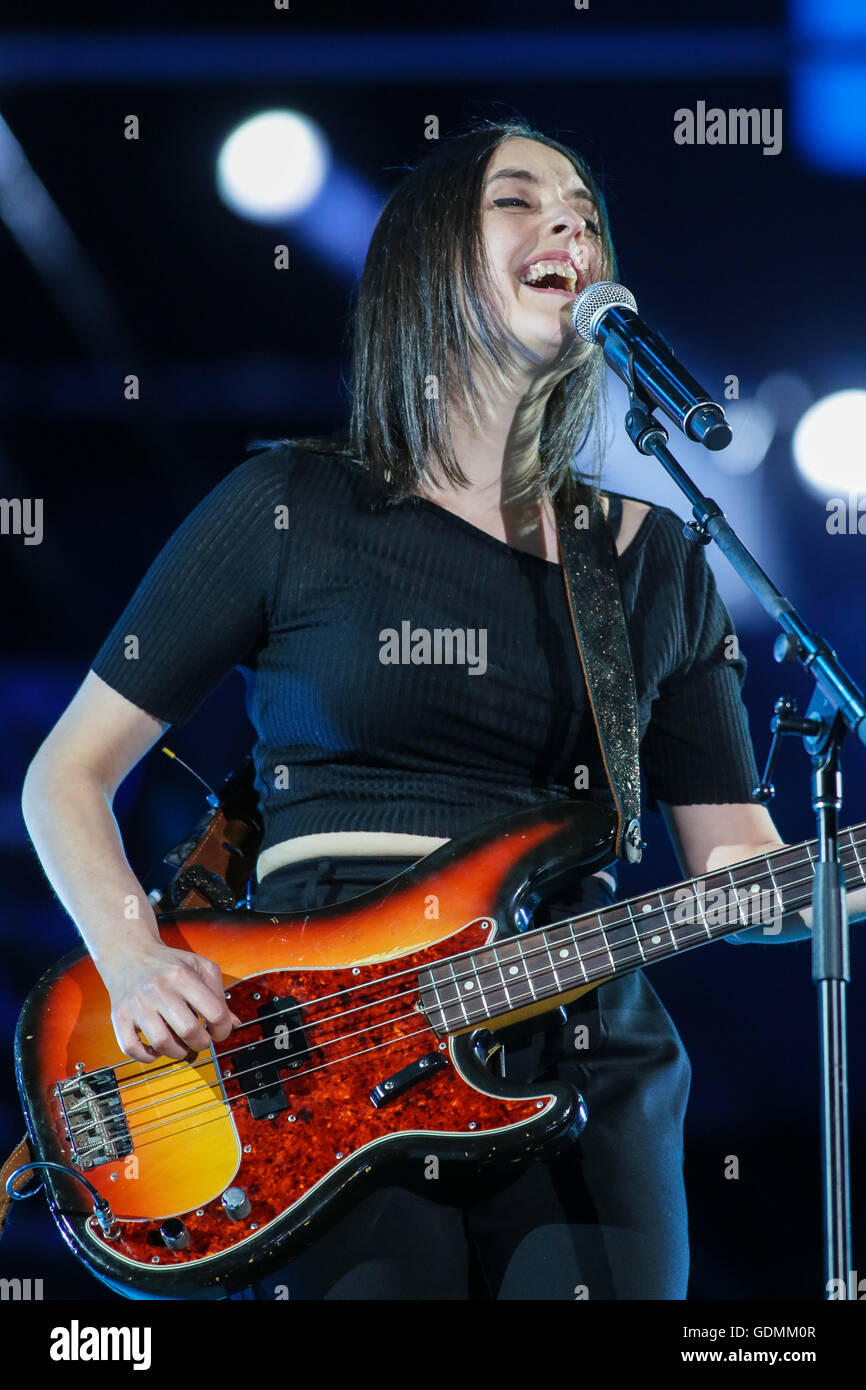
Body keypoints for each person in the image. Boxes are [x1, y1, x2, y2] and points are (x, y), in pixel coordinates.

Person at [21, 118, 814, 1301]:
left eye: (584, 211)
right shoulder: (289, 504)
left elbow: (729, 861)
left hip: (584, 1036)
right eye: (519, 200)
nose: (569, 224)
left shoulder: (654, 560)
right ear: (428, 262)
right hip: (316, 1044)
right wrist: (133, 962)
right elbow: (66, 774)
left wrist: (826, 884)